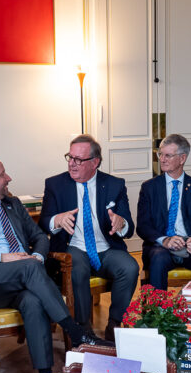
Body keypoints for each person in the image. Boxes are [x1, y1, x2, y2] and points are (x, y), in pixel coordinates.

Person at [0, 156, 111, 373]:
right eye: (2, 174)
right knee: (30, 268)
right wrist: (3, 257)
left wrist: (37, 256)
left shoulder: (12, 205)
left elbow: (38, 237)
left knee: (33, 301)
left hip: (25, 276)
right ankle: (76, 333)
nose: (9, 178)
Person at [39, 135, 140, 338]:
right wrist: (57, 220)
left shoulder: (114, 184)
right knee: (77, 268)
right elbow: (44, 222)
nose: (72, 163)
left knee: (130, 267)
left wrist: (121, 223)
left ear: (95, 162)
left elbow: (129, 228)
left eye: (78, 159)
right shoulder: (55, 184)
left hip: (107, 248)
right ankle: (83, 328)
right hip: (73, 246)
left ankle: (114, 324)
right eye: (70, 157)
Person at [136, 134, 191, 290]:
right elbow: (143, 226)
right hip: (161, 247)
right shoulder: (149, 188)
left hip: (190, 247)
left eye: (168, 155)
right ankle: (158, 312)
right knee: (158, 258)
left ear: (182, 158)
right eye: (160, 154)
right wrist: (165, 240)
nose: (162, 159)